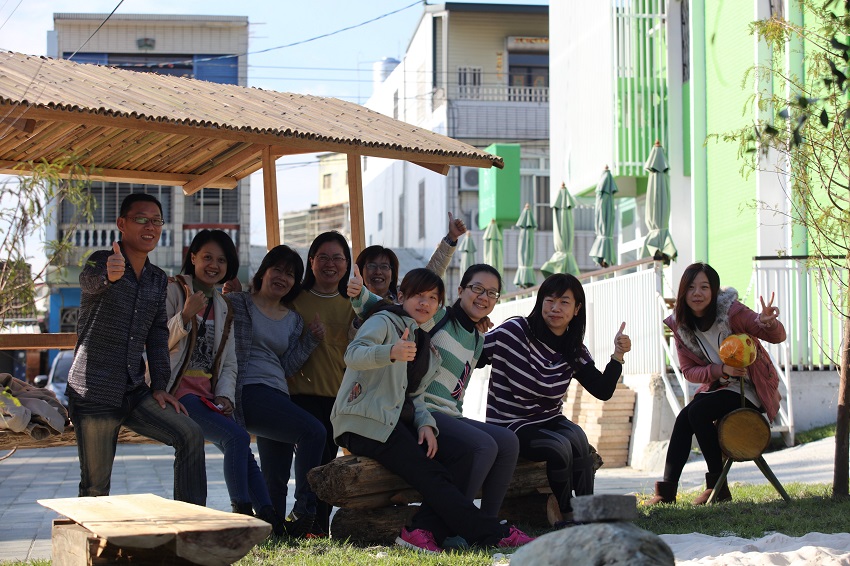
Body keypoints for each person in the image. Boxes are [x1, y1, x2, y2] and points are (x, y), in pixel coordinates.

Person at [331, 268, 534, 554]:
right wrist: (388, 348)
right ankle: (491, 532)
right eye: (418, 296)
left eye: (432, 298)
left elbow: (414, 393)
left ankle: (436, 531)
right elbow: (353, 353)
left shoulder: (422, 338)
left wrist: (425, 423)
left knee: (438, 471)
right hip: (364, 421)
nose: (425, 303)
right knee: (456, 460)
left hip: (390, 420)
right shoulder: (387, 321)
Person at [66, 193, 205, 505]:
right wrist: (110, 276)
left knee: (190, 434)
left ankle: (192, 528)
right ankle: (92, 549)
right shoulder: (100, 259)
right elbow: (89, 281)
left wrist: (159, 386)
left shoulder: (157, 279)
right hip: (94, 391)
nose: (150, 226)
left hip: (134, 389)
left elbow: (157, 336)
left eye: (157, 221)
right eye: (142, 219)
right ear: (122, 224)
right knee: (95, 486)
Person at [482, 273, 631, 526]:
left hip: (547, 418)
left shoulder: (573, 349)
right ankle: (568, 515)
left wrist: (617, 355)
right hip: (509, 422)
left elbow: (602, 390)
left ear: (577, 309)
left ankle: (587, 512)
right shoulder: (515, 331)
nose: (555, 308)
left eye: (564, 302)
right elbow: (474, 354)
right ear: (540, 303)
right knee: (559, 446)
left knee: (579, 438)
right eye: (549, 300)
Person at [164, 230, 281, 533]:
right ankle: (240, 513)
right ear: (193, 258)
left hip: (207, 396)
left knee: (243, 450)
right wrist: (184, 317)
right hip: (176, 393)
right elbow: (154, 344)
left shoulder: (223, 305)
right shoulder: (173, 292)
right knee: (237, 439)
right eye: (207, 257)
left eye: (221, 260)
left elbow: (228, 362)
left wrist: (226, 396)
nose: (214, 265)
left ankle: (271, 521)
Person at [646, 262, 784, 505]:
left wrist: (767, 321)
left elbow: (776, 336)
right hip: (719, 386)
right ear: (683, 292)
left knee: (697, 412)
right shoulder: (681, 325)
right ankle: (666, 493)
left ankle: (717, 487)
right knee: (684, 418)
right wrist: (720, 369)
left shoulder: (732, 312)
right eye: (691, 288)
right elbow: (688, 371)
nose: (697, 293)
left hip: (749, 390)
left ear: (714, 291)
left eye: (704, 287)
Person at [227, 245, 326, 537]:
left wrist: (311, 341)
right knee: (314, 431)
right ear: (264, 272)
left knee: (276, 474)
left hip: (277, 394)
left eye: (292, 274)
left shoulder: (293, 319)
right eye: (278, 269)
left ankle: (276, 532)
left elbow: (285, 366)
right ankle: (305, 507)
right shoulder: (238, 303)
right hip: (247, 390)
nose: (283, 277)